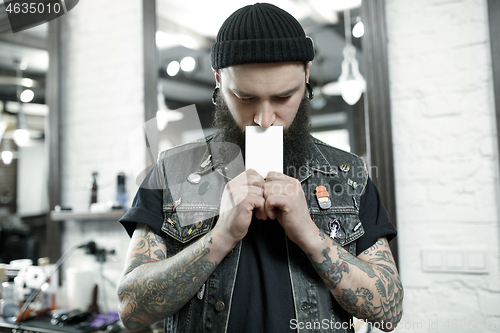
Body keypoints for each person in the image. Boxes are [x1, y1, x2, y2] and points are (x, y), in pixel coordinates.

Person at [117, 3, 403, 332]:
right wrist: (221, 236)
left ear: (307, 75)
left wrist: (310, 235)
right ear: (218, 80)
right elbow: (131, 310)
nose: (264, 120)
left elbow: (389, 311)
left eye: (283, 97)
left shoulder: (348, 174)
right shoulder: (173, 172)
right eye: (244, 97)